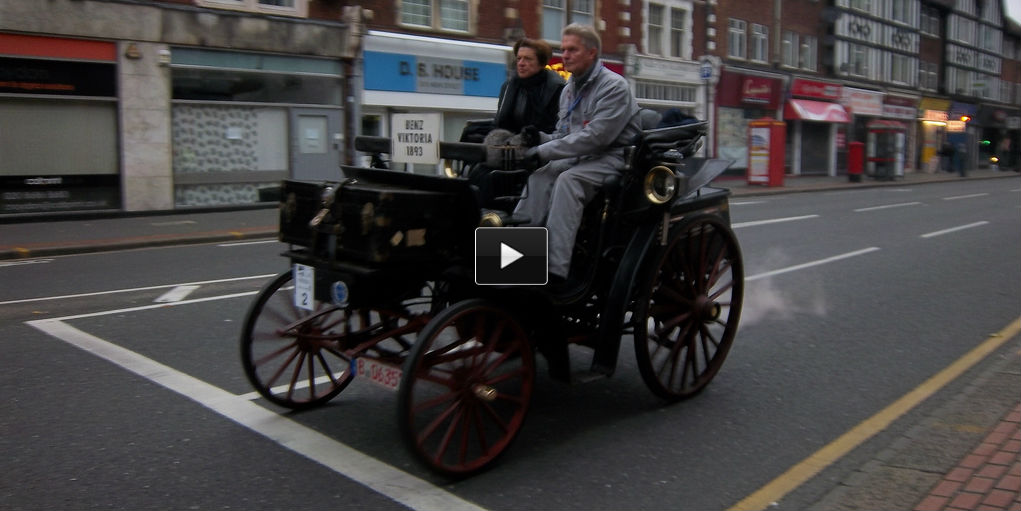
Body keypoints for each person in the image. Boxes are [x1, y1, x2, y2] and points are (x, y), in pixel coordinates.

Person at [514, 23, 641, 285]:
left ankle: (554, 271)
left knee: (568, 182)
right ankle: (517, 259)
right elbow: (564, 136)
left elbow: (597, 138)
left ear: (592, 53)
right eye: (564, 49)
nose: (565, 55)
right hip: (583, 156)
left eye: (572, 50)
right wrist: (539, 139)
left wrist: (542, 151)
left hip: (615, 157)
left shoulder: (614, 86)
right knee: (540, 176)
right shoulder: (570, 88)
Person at [495, 38, 565, 135]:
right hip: (510, 144)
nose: (521, 63)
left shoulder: (556, 87)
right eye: (519, 58)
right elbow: (500, 121)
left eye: (527, 59)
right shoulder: (508, 86)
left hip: (543, 144)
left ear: (541, 63)